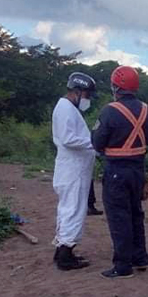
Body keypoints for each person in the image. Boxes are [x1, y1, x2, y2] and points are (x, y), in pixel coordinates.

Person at [92, 65, 148, 279]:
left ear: (116, 87)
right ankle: (140, 258)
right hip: (138, 170)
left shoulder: (109, 110)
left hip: (116, 171)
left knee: (119, 217)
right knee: (136, 214)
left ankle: (123, 266)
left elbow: (97, 142)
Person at [51, 72, 97, 271]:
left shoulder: (67, 108)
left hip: (73, 169)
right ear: (77, 91)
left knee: (68, 209)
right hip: (73, 170)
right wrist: (94, 142)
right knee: (73, 210)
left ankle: (62, 249)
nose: (88, 99)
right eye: (87, 95)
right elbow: (69, 139)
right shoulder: (66, 109)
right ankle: (65, 256)